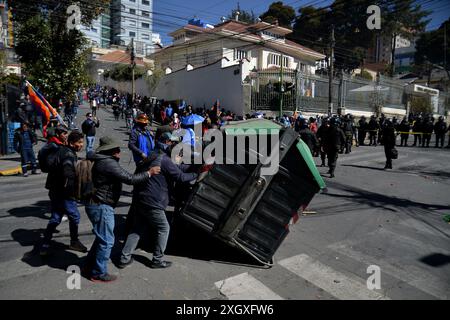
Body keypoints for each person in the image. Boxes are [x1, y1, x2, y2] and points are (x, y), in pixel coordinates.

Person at [83, 137, 161, 282]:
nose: (120, 152)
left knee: (102, 237)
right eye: (117, 149)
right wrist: (149, 173)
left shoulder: (102, 160)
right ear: (110, 151)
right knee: (107, 241)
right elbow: (130, 179)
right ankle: (98, 273)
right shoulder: (108, 163)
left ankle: (89, 264)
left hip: (97, 202)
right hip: (101, 204)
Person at [118, 132, 198, 269]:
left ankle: (124, 258)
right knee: (163, 228)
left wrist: (194, 165)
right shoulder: (165, 160)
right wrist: (197, 173)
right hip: (153, 201)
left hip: (142, 198)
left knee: (137, 229)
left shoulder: (155, 155)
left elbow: (178, 168)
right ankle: (157, 260)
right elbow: (181, 177)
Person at [40, 130, 88, 256]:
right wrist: (75, 191)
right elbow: (68, 174)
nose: (81, 145)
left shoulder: (62, 150)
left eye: (82, 142)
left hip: (54, 189)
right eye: (79, 142)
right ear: (72, 143)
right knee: (75, 217)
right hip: (64, 192)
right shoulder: (68, 155)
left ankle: (45, 244)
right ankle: (74, 241)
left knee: (55, 217)